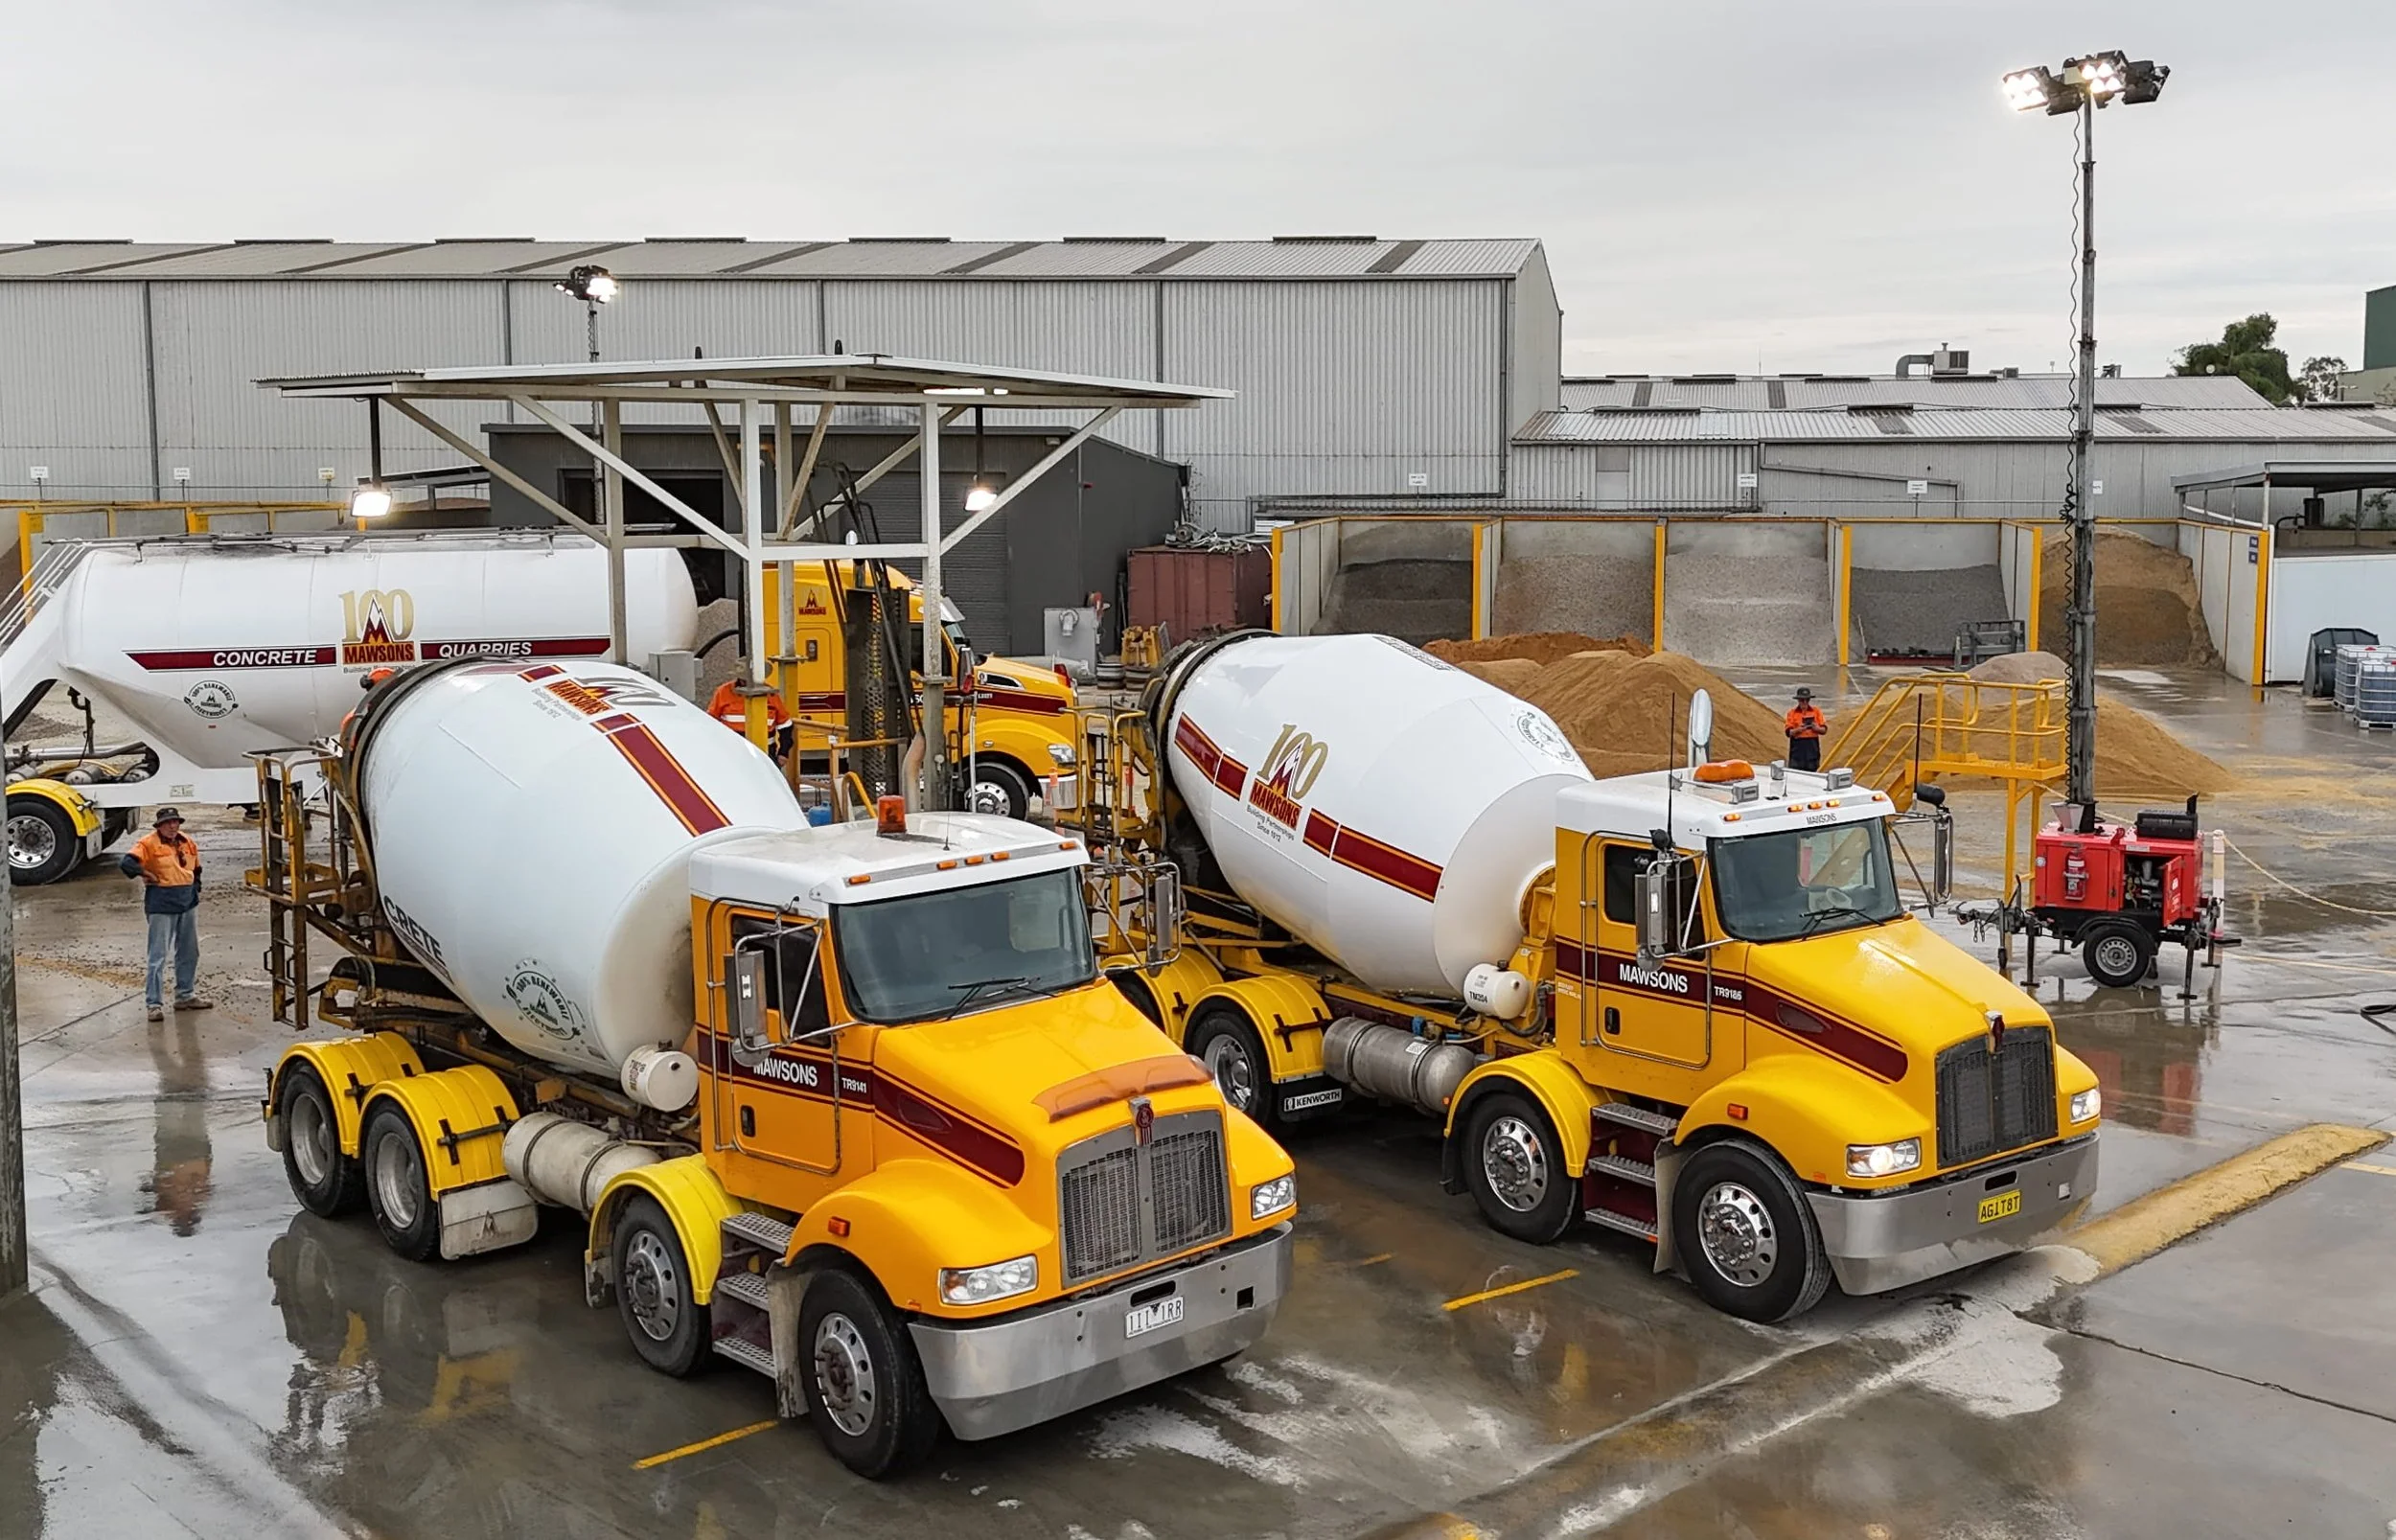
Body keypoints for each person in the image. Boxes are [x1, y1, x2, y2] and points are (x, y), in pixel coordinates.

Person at [121, 807, 209, 1023]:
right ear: (159, 825)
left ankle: (185, 996)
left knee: (189, 952)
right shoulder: (148, 843)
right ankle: (153, 1004)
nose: (172, 826)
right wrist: (145, 872)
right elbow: (127, 863)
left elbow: (196, 869)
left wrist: (195, 887)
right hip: (161, 903)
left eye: (175, 822)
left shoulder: (187, 841)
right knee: (157, 957)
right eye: (168, 823)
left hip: (187, 902)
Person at [707, 678, 795, 759]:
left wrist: (783, 753)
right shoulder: (724, 691)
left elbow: (785, 726)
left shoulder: (771, 694)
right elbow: (709, 723)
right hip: (732, 753)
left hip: (765, 753)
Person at [1785, 687, 1829, 773]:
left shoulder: (1816, 711)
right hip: (1797, 748)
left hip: (1812, 747)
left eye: (1807, 700)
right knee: (1795, 773)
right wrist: (1798, 730)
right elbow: (1788, 732)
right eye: (1802, 700)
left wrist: (1816, 728)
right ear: (1798, 700)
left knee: (1812, 772)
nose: (1805, 702)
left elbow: (1824, 730)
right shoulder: (1792, 713)